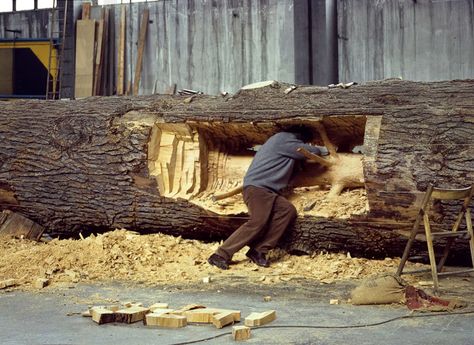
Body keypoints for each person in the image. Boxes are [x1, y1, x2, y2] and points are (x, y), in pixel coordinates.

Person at [207, 124, 329, 270]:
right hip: (257, 189)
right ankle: (220, 254)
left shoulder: (282, 142)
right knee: (257, 221)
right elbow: (304, 151)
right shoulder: (282, 139)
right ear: (301, 136)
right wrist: (322, 150)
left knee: (287, 210)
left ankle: (258, 250)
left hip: (268, 191)